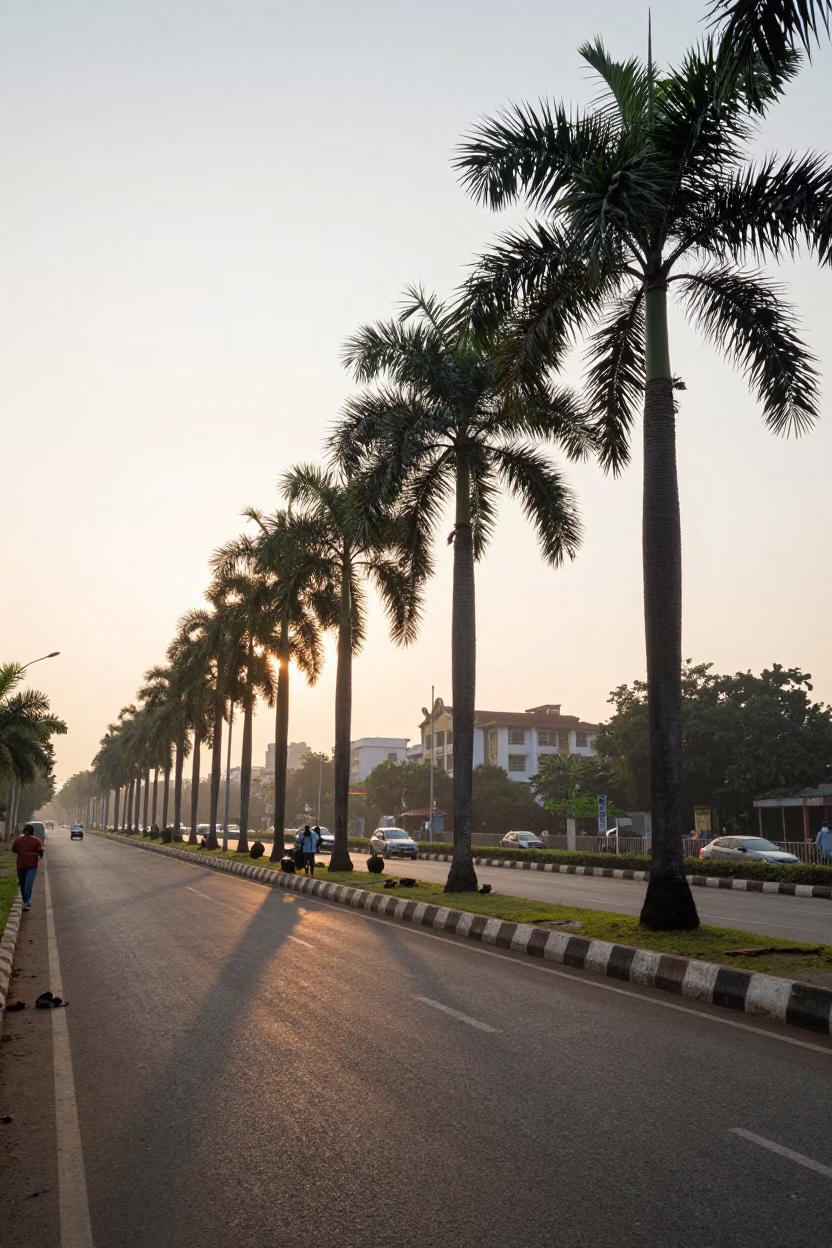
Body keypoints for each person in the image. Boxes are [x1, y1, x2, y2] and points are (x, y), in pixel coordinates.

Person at [11, 822, 45, 912]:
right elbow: (41, 850)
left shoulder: (18, 840)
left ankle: (26, 901)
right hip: (30, 865)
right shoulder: (35, 840)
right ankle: (26, 901)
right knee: (28, 884)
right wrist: (38, 856)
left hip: (22, 865)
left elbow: (14, 850)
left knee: (23, 884)